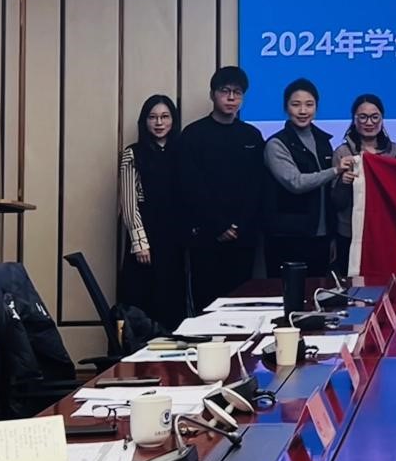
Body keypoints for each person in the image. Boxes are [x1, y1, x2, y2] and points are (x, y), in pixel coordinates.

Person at [181, 67, 266, 312]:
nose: (231, 98)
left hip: (243, 238)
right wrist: (219, 226)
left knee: (242, 307)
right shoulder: (193, 135)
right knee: (207, 308)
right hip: (206, 238)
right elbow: (191, 187)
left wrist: (239, 226)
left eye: (237, 92)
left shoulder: (251, 135)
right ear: (212, 94)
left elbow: (257, 186)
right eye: (224, 91)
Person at [264, 78, 348, 278]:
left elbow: (329, 192)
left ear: (316, 108)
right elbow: (296, 183)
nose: (303, 111)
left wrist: (332, 236)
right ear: (286, 108)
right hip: (288, 236)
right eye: (296, 104)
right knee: (288, 293)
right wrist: (335, 171)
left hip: (322, 237)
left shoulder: (323, 141)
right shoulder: (276, 144)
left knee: (318, 292)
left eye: (309, 105)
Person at [117, 94, 187, 328]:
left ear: (173, 120)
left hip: (174, 238)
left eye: (165, 117)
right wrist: (140, 242)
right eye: (152, 117)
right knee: (142, 302)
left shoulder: (181, 152)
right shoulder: (133, 153)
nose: (159, 123)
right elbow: (129, 203)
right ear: (144, 121)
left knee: (172, 302)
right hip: (146, 237)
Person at [332, 94, 396, 274]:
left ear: (382, 119)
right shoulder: (342, 152)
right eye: (363, 117)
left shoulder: (394, 151)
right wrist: (344, 182)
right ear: (354, 120)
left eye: (374, 117)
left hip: (385, 230)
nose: (369, 122)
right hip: (350, 232)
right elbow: (336, 202)